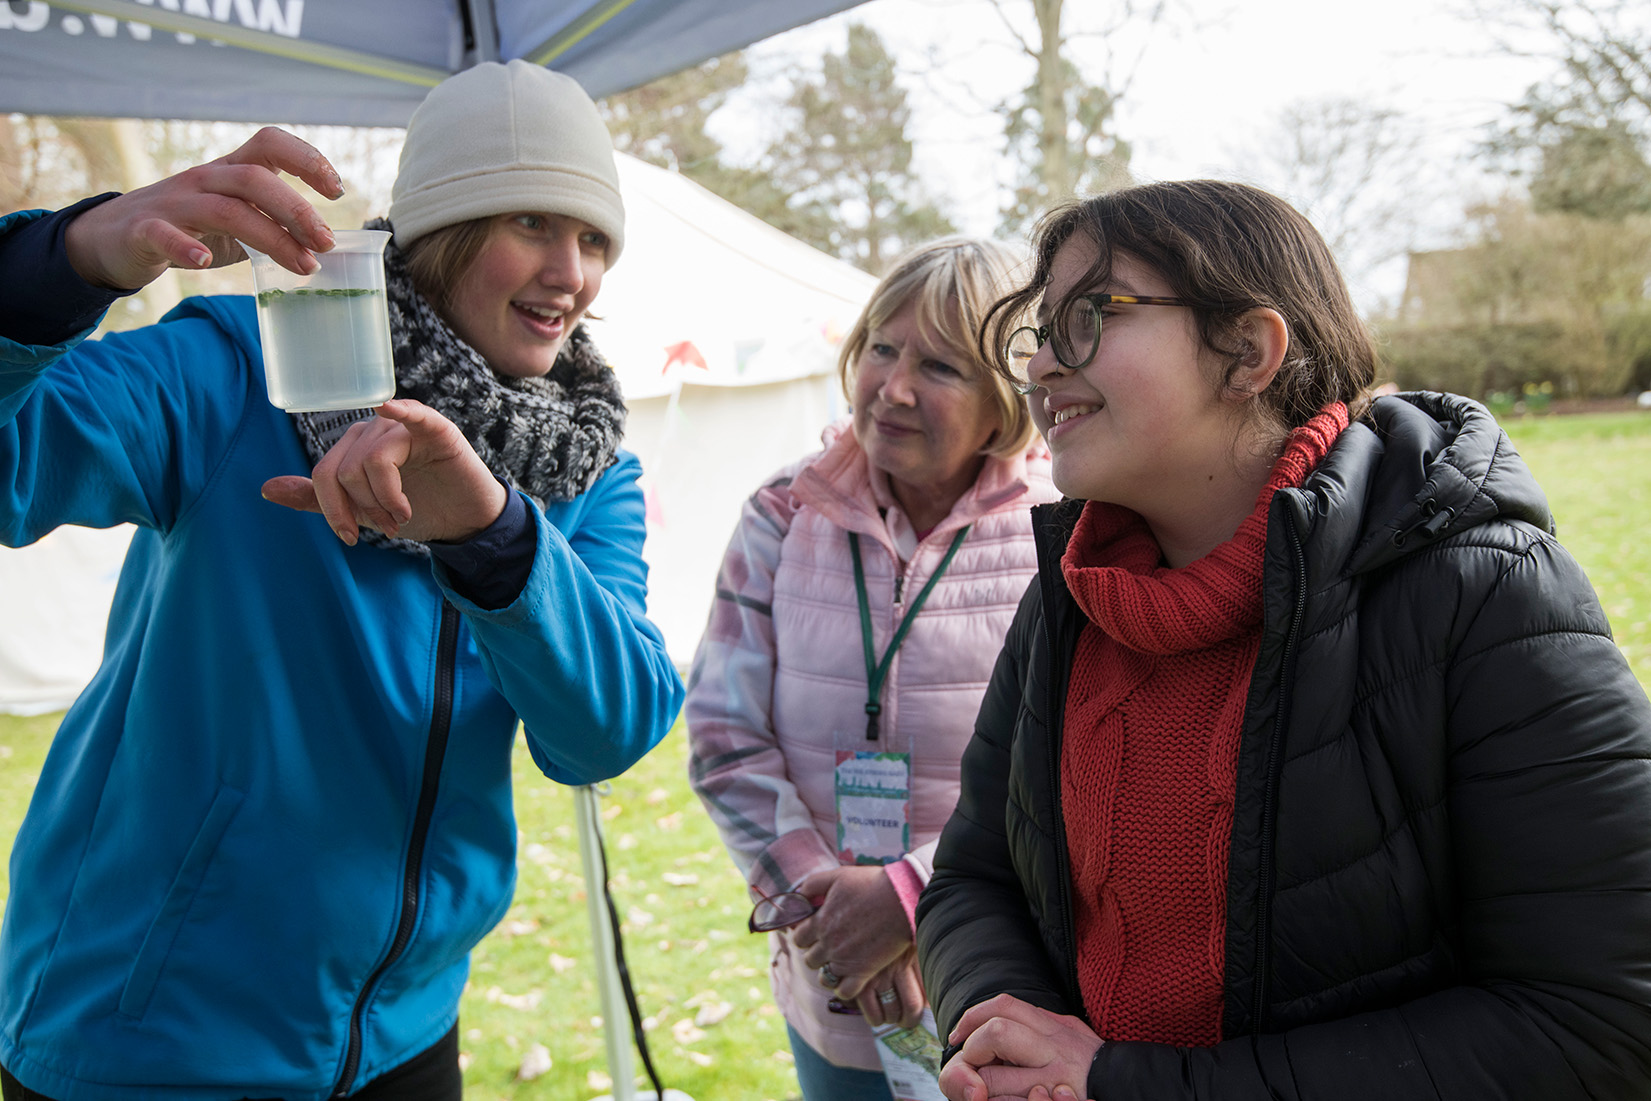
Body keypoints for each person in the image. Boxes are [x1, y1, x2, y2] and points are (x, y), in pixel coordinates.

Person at [0, 60, 682, 1100]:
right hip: (148, 1032)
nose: (571, 272)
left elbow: (607, 730)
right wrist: (68, 259)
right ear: (443, 230)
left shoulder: (587, 469)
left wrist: (494, 537)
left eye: (594, 240)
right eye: (534, 223)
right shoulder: (237, 365)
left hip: (401, 1034)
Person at [915, 180, 1651, 1101]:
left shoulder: (1484, 593)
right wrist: (1009, 1034)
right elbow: (972, 879)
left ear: (1250, 351)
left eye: (1090, 316)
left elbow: (1596, 1023)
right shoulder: (1069, 599)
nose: (1041, 369)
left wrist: (1127, 1083)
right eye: (1042, 330)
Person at [685, 236, 1060, 1100]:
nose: (890, 387)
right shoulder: (782, 512)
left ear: (1003, 394)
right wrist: (832, 916)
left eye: (937, 365)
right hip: (834, 983)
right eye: (881, 348)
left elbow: (1070, 776)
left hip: (995, 982)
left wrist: (910, 900)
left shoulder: (1063, 531)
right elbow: (720, 737)